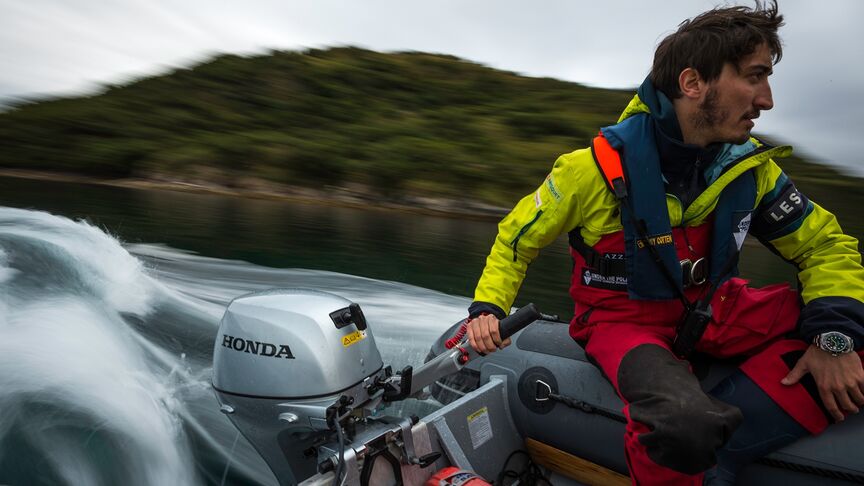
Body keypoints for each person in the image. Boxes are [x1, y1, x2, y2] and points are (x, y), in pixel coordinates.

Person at [464, 2, 864, 484]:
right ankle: (696, 440)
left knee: (850, 322)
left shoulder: (752, 171)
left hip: (716, 309)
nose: (767, 100)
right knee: (683, 422)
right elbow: (516, 238)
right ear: (693, 84)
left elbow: (824, 246)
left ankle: (724, 449)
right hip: (624, 322)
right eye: (755, 77)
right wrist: (488, 307)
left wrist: (833, 340)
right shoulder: (589, 170)